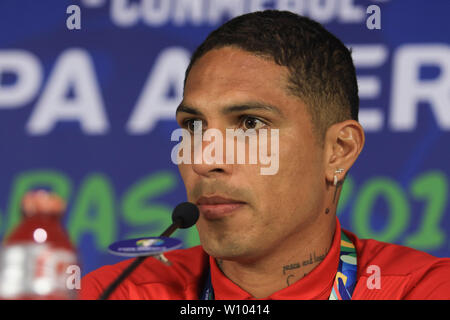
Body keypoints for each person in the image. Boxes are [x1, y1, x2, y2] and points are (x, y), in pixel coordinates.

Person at [80, 10, 450, 300]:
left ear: (339, 150)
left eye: (251, 124)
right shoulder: (117, 292)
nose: (204, 161)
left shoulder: (424, 290)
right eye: (193, 126)